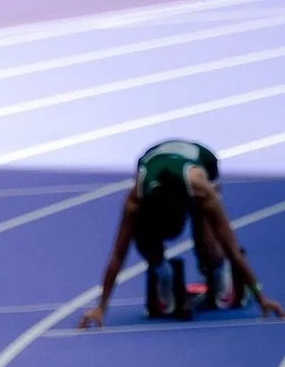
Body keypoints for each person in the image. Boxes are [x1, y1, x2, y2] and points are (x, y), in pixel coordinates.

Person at [78, 140, 284, 328]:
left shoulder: (203, 192)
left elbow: (232, 248)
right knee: (143, 238)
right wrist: (101, 307)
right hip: (152, 160)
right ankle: (164, 273)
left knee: (207, 243)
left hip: (202, 160)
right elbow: (118, 255)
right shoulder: (136, 198)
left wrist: (261, 297)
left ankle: (220, 271)